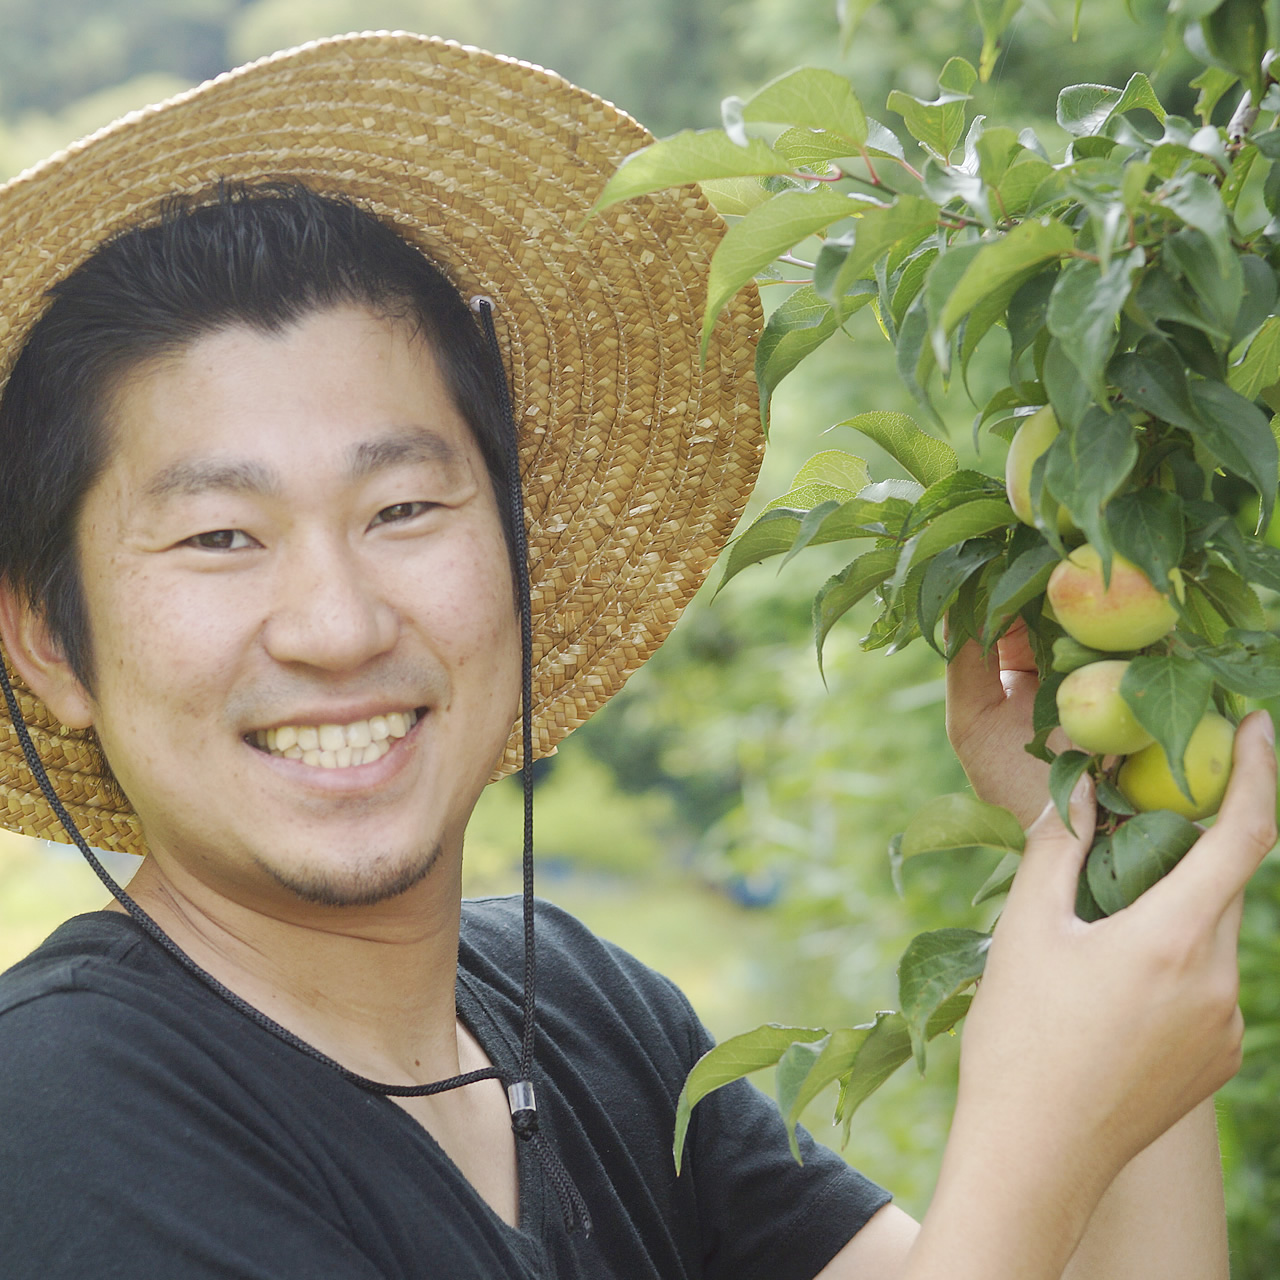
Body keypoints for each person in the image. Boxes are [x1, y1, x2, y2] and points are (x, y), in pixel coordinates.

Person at [0, 31, 1273, 1280]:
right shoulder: (55, 1119)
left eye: (402, 508)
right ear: (48, 638)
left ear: (516, 544)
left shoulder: (585, 1014)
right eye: (220, 534)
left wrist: (1114, 867)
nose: (337, 625)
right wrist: (1034, 1125)